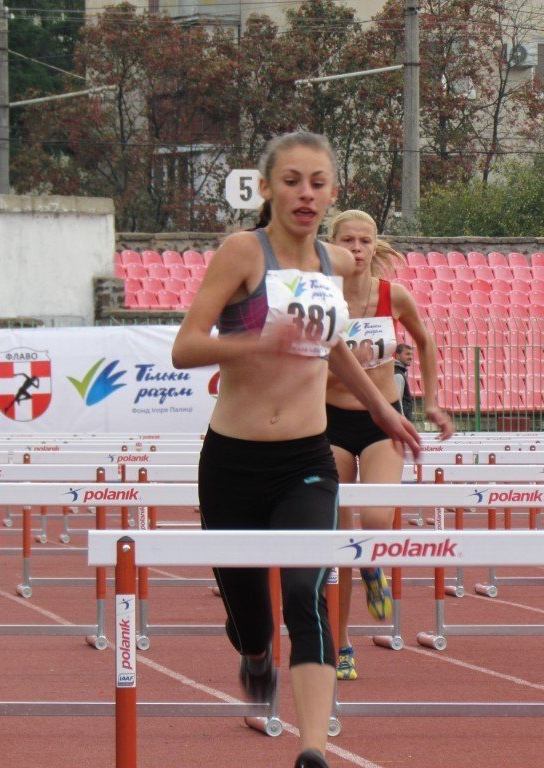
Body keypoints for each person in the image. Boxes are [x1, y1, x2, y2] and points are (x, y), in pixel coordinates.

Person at [171, 133, 421, 768]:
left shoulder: (333, 262)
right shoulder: (242, 252)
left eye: (317, 182)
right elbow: (185, 347)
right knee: (252, 620)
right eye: (291, 181)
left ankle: (313, 748)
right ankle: (255, 653)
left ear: (332, 192)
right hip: (233, 462)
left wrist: (381, 408)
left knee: (308, 596)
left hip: (306, 459)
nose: (305, 193)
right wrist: (257, 342)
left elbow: (332, 344)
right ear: (268, 189)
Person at [324, 209, 455, 681]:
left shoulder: (392, 296)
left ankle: (372, 568)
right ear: (332, 244)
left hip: (384, 422)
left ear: (375, 245)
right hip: (330, 421)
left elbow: (425, 342)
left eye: (364, 241)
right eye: (348, 240)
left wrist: (432, 402)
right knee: (338, 543)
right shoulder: (321, 296)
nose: (357, 249)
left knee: (377, 520)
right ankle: (340, 643)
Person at [394, 343, 415, 420]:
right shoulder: (398, 374)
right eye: (407, 354)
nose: (411, 357)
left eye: (411, 355)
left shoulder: (398, 371)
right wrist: (403, 419)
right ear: (397, 355)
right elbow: (397, 400)